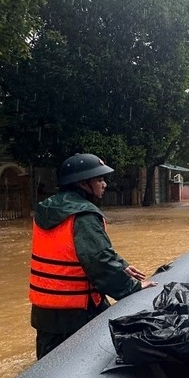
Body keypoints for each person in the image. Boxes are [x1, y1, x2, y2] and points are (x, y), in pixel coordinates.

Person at [29, 153, 157, 359]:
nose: (104, 184)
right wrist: (132, 287)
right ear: (82, 183)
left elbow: (74, 250)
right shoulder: (84, 214)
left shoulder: (47, 209)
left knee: (47, 366)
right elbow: (98, 261)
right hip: (78, 310)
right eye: (99, 179)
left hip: (44, 310)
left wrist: (122, 265)